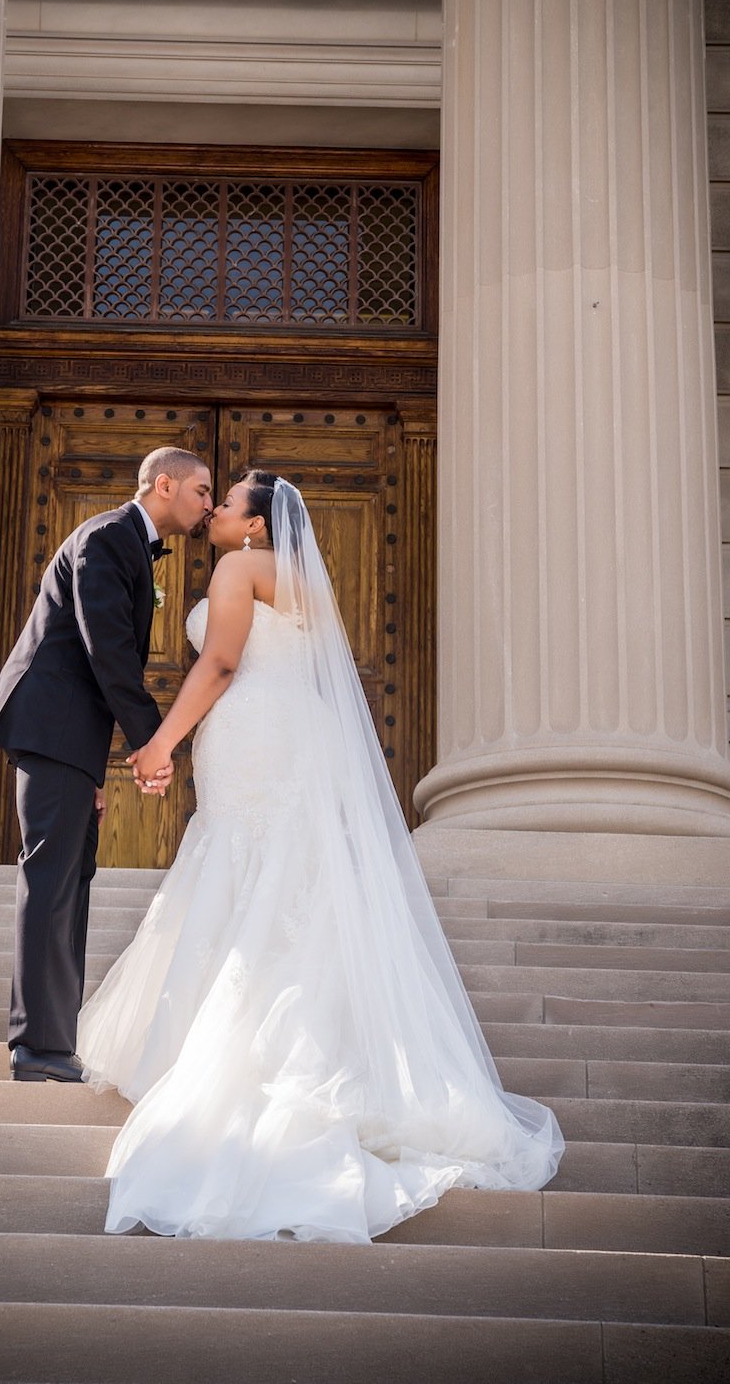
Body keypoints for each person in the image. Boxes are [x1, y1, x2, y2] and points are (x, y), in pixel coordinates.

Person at [77, 470, 564, 1242]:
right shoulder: (308, 585)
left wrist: (160, 742)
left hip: (255, 731)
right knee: (282, 875)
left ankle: (231, 1049)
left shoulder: (241, 568)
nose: (215, 512)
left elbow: (223, 664)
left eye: (227, 502)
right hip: (290, 734)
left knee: (245, 862)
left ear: (257, 527)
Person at [0, 447, 212, 1083]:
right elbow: (105, 647)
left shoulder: (128, 545)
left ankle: (55, 1042)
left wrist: (95, 768)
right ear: (164, 485)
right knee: (50, 880)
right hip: (51, 730)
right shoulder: (108, 537)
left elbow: (95, 661)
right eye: (202, 491)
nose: (209, 504)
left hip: (68, 740)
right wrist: (150, 744)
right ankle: (37, 1048)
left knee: (70, 882)